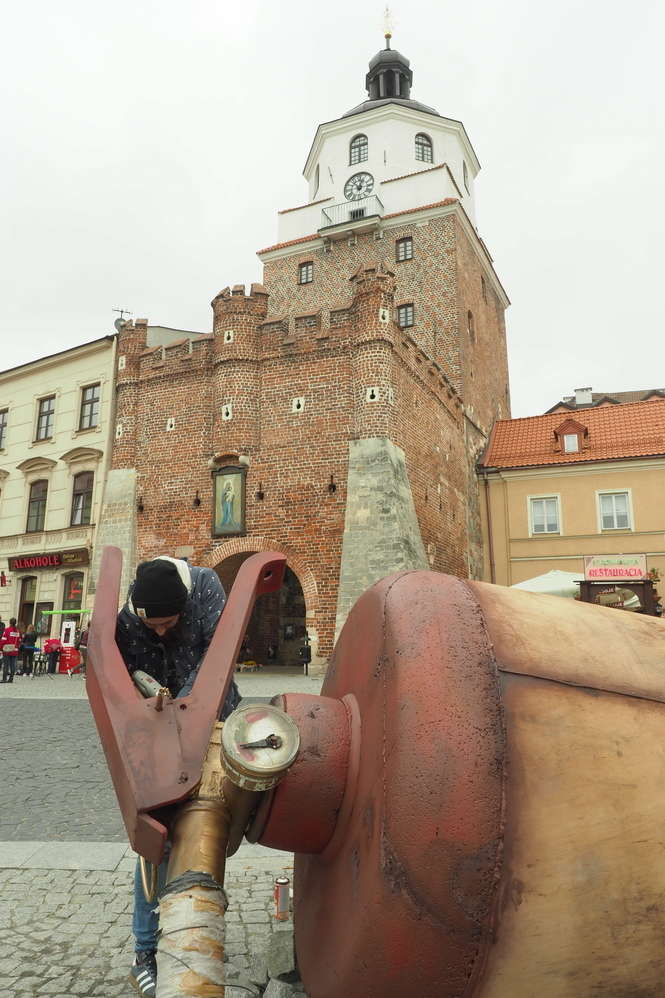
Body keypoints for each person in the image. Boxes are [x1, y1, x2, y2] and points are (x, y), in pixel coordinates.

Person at [114, 555, 240, 998]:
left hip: (210, 720)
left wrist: (188, 715)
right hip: (154, 732)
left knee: (207, 823)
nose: (162, 632)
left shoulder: (206, 591)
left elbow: (216, 662)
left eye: (170, 623)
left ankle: (193, 922)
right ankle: (145, 952)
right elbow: (119, 680)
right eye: (155, 627)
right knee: (156, 838)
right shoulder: (129, 618)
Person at [1, 618, 22, 683]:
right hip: (15, 650)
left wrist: (1, 648)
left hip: (7, 649)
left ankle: (4, 679)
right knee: (13, 665)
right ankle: (11, 679)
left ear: (10, 622)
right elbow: (19, 641)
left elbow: (3, 640)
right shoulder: (18, 632)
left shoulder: (7, 630)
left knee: (6, 665)